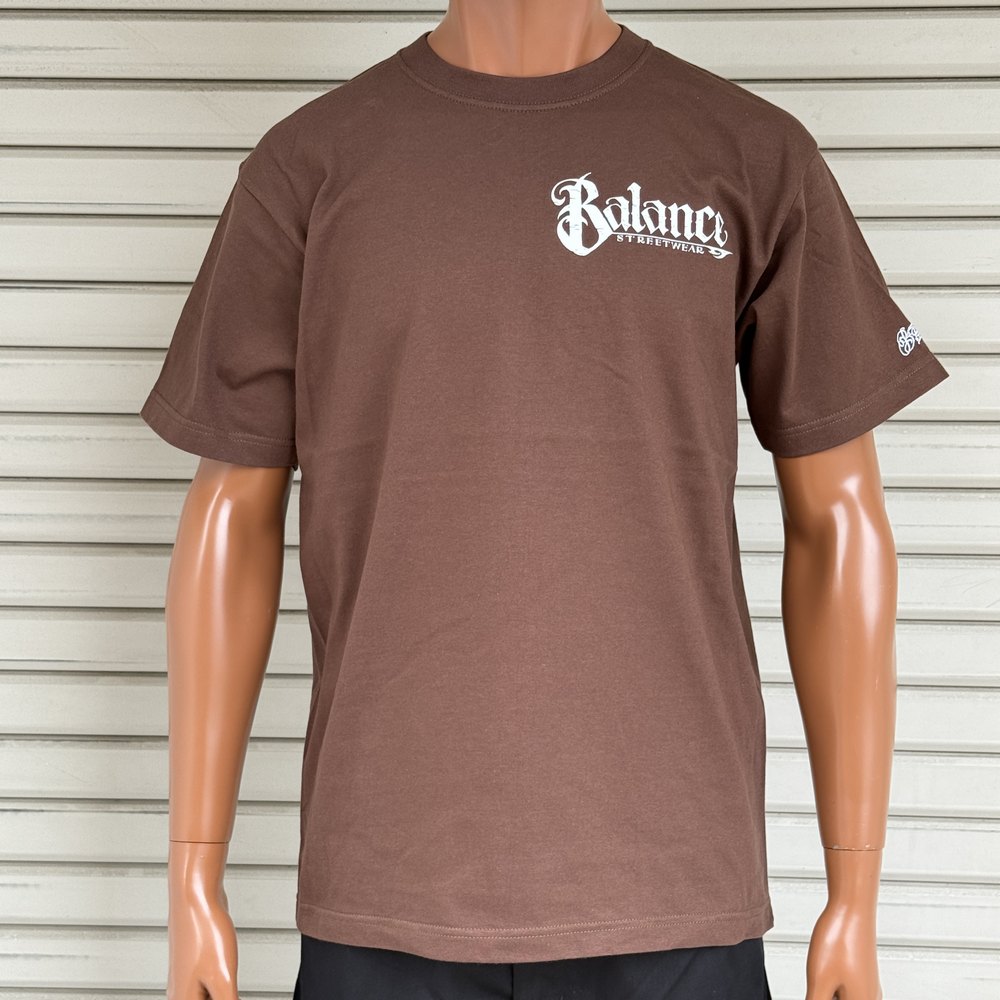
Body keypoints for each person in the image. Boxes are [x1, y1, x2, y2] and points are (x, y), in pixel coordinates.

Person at [141, 3, 949, 998]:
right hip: (390, 887)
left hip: (674, 891)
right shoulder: (310, 167)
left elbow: (837, 525)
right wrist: (192, 876)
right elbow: (230, 518)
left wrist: (853, 895)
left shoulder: (750, 155)